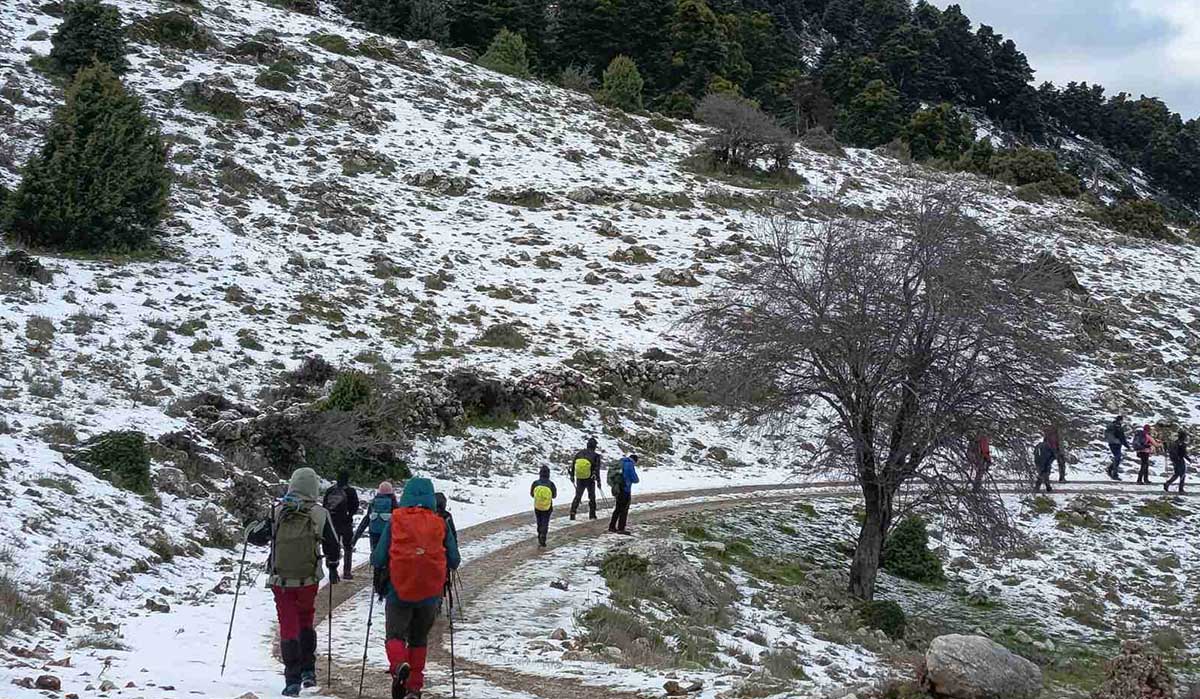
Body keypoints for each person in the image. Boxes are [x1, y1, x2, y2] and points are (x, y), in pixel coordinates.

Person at [248, 467, 341, 697]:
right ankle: (308, 672)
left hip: (281, 579)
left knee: (288, 624)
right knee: (306, 619)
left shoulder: (278, 511)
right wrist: (332, 564)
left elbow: (257, 537)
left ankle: (292, 680)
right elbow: (332, 546)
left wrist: (249, 527)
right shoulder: (319, 513)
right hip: (308, 579)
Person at [372, 478, 461, 699]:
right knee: (419, 638)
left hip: (399, 590)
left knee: (395, 635)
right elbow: (455, 559)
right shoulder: (440, 522)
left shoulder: (396, 520)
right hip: (430, 594)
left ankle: (399, 664)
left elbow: (378, 558)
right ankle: (414, 687)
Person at [323, 470, 359, 580]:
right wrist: (349, 515)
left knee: (333, 546)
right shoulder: (351, 491)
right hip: (346, 523)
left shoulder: (330, 490)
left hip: (332, 522)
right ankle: (347, 571)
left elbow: (325, 506)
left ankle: (332, 570)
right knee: (348, 547)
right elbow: (355, 506)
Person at [354, 481, 398, 553]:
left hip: (374, 532)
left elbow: (366, 519)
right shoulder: (393, 503)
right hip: (388, 532)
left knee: (375, 552)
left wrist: (355, 538)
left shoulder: (374, 502)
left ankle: (374, 562)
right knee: (388, 553)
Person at [569, 437, 603, 520]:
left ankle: (572, 513)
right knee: (592, 497)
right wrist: (598, 482)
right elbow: (597, 470)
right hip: (590, 479)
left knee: (578, 496)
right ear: (594, 446)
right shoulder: (596, 456)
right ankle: (592, 514)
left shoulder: (579, 453)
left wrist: (572, 476)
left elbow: (573, 466)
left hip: (580, 478)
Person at [608, 454, 640, 534]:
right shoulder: (629, 464)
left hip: (618, 488)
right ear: (634, 460)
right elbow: (635, 479)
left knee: (618, 508)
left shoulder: (621, 462)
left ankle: (612, 526)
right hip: (625, 489)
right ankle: (621, 528)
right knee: (624, 509)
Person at [530, 466, 557, 547]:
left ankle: (539, 534)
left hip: (537, 506)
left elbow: (532, 494)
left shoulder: (535, 483)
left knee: (539, 521)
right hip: (548, 506)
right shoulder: (551, 484)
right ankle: (543, 536)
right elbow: (554, 495)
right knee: (545, 521)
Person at [1104, 416, 1130, 480]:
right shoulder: (1118, 427)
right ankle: (1114, 474)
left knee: (1117, 457)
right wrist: (1127, 446)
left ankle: (1110, 470)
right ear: (1120, 420)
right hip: (1117, 444)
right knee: (1117, 458)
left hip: (1111, 443)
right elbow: (1122, 437)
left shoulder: (1111, 426)